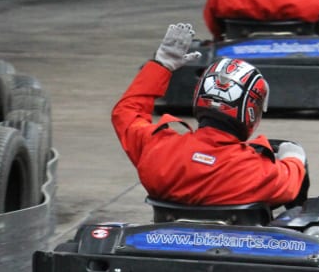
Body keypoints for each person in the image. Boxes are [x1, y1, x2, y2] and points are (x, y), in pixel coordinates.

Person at [112, 23, 307, 207]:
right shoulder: (258, 172)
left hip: (164, 238)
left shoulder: (157, 148)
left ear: (199, 97)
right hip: (236, 240)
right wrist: (294, 156)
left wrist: (161, 66)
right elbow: (290, 185)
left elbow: (126, 113)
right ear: (250, 111)